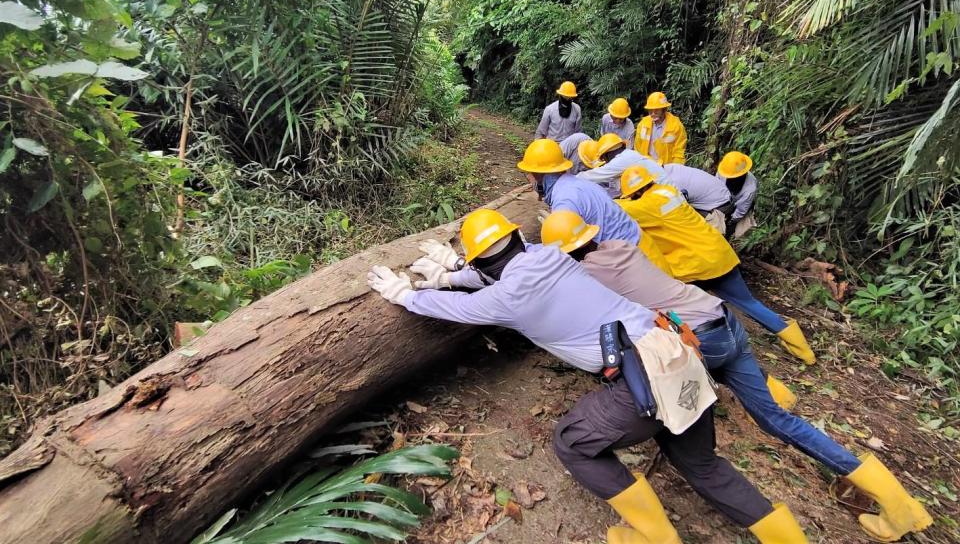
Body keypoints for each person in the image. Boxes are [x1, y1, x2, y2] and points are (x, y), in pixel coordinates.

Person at [367, 209, 808, 544]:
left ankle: (659, 538)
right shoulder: (548, 255)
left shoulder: (505, 299)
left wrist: (408, 292)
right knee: (702, 464)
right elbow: (496, 279)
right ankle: (789, 537)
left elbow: (458, 307)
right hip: (678, 350)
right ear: (521, 236)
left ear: (483, 264)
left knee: (572, 442)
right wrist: (452, 272)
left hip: (644, 373)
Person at [541, 210, 934, 544]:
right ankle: (900, 505)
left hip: (694, 342)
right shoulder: (620, 248)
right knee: (778, 420)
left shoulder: (586, 277)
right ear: (591, 235)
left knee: (688, 447)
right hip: (724, 320)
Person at [616, 164, 817, 366]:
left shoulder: (643, 207)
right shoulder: (669, 191)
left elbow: (614, 208)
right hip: (719, 255)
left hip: (694, 268)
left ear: (635, 193)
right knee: (749, 303)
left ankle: (693, 351)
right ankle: (804, 351)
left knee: (681, 311)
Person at [517, 138, 672, 275]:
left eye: (528, 175)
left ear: (538, 175)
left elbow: (565, 253)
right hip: (645, 253)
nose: (529, 181)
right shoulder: (577, 184)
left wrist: (528, 250)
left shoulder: (565, 200)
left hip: (636, 267)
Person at [577, 133, 665, 198]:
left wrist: (572, 179)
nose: (605, 162)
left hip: (660, 195)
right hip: (664, 192)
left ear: (607, 154)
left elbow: (595, 175)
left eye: (604, 159)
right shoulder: (629, 155)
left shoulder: (621, 160)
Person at [662, 163, 733, 233]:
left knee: (692, 228)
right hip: (720, 193)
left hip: (721, 205)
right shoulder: (669, 168)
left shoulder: (672, 185)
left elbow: (677, 214)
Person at [635, 91, 687, 165]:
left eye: (656, 110)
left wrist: (675, 170)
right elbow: (638, 148)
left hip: (667, 167)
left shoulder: (676, 126)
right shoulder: (643, 124)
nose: (653, 113)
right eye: (650, 111)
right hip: (646, 166)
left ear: (664, 109)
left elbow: (679, 152)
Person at [717, 151, 758, 239]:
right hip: (722, 200)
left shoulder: (750, 188)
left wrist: (731, 221)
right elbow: (716, 186)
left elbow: (741, 210)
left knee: (737, 233)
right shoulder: (724, 171)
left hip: (737, 205)